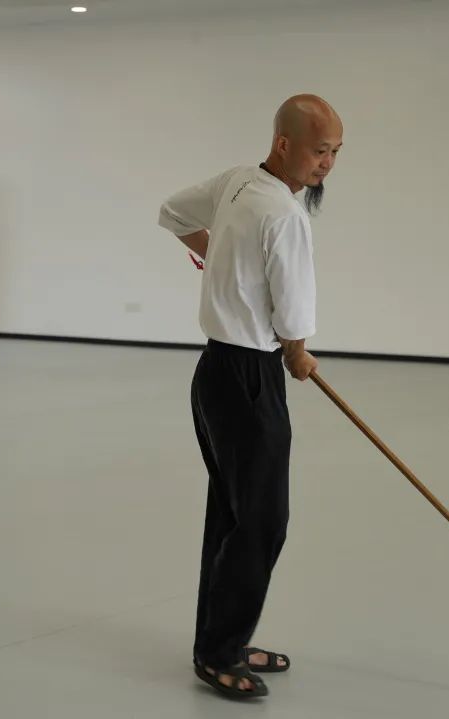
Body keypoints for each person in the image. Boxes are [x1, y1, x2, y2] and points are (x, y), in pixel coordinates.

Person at [158, 94, 343, 699]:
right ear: (284, 144)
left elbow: (171, 212)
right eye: (319, 151)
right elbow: (293, 310)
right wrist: (298, 353)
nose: (327, 164)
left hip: (214, 373)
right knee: (261, 521)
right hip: (248, 377)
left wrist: (218, 256)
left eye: (336, 153)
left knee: (233, 514)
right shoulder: (285, 215)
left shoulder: (238, 181)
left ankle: (223, 641)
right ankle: (218, 653)